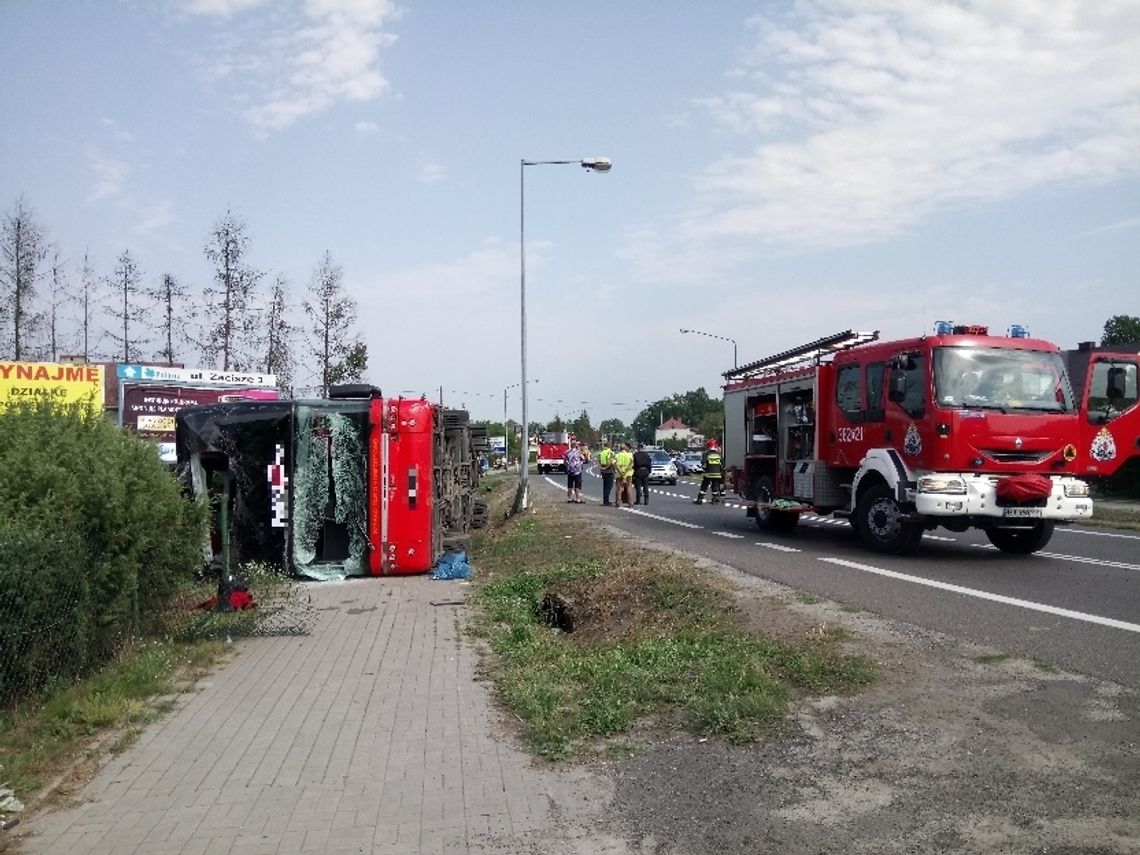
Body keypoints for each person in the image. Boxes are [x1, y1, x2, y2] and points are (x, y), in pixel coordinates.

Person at [693, 438, 724, 505]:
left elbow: (702, 462)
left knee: (704, 486)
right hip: (717, 474)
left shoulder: (706, 453)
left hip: (708, 474)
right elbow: (721, 463)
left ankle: (700, 499)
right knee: (715, 486)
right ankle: (715, 500)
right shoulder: (718, 454)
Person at [614, 442, 635, 507]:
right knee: (629, 487)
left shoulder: (617, 455)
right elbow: (631, 464)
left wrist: (621, 472)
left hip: (619, 473)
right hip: (628, 473)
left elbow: (616, 464)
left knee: (619, 488)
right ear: (625, 448)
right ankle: (630, 502)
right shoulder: (630, 455)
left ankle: (618, 502)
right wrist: (626, 472)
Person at [597, 440, 616, 505]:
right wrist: (606, 467)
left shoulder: (601, 453)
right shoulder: (611, 453)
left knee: (605, 486)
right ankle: (606, 501)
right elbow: (612, 462)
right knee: (609, 487)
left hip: (603, 471)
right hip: (610, 471)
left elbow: (598, 461)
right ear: (610, 446)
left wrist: (602, 468)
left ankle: (605, 500)